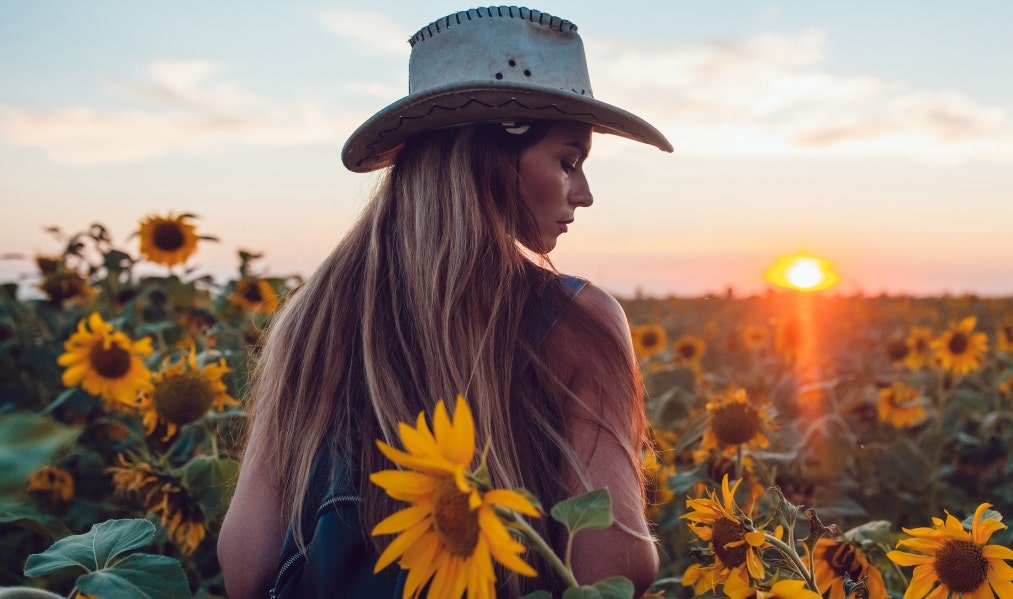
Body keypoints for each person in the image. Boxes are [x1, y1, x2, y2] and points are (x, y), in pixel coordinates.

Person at [217, 6, 673, 599]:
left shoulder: (310, 319)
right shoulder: (575, 320)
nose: (583, 194)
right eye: (568, 161)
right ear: (492, 150)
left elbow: (246, 564)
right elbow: (611, 570)